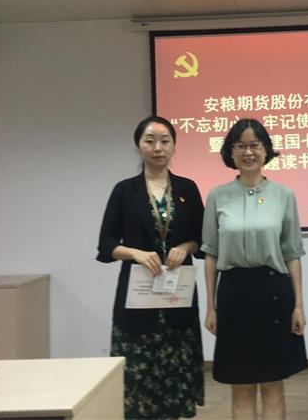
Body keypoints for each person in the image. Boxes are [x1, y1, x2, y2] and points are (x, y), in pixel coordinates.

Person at [96, 115, 205, 420]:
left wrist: (185, 247)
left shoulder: (188, 188)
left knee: (175, 382)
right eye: (150, 141)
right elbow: (105, 244)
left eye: (165, 141)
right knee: (138, 386)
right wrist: (135, 253)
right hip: (138, 299)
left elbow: (202, 239)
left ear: (174, 147)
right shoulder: (124, 191)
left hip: (177, 297)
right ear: (138, 146)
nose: (158, 148)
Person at [202, 118, 308, 420]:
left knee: (273, 384)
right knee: (241, 385)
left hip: (274, 293)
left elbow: (292, 254)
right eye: (240, 146)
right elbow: (210, 254)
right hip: (234, 294)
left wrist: (298, 305)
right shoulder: (217, 196)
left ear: (266, 150)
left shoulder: (284, 195)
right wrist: (211, 307)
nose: (248, 152)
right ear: (230, 152)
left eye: (255, 145)